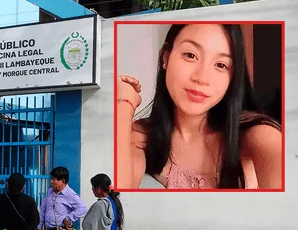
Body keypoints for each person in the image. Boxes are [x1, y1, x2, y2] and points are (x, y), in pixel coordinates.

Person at [116, 23, 282, 190]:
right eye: (190, 55)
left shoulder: (258, 134)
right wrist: (123, 104)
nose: (202, 78)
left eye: (221, 65)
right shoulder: (142, 135)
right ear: (166, 57)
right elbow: (113, 203)